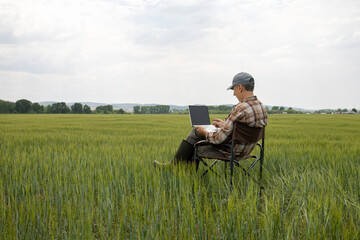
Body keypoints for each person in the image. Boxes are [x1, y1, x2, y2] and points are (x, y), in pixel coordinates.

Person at [153, 72, 268, 167]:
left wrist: (204, 132)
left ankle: (176, 168)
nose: (234, 94)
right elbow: (242, 130)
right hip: (246, 151)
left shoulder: (240, 108)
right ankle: (177, 167)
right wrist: (224, 126)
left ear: (240, 87)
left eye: (234, 90)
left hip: (230, 152)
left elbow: (218, 139)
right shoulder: (261, 107)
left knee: (196, 135)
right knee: (198, 133)